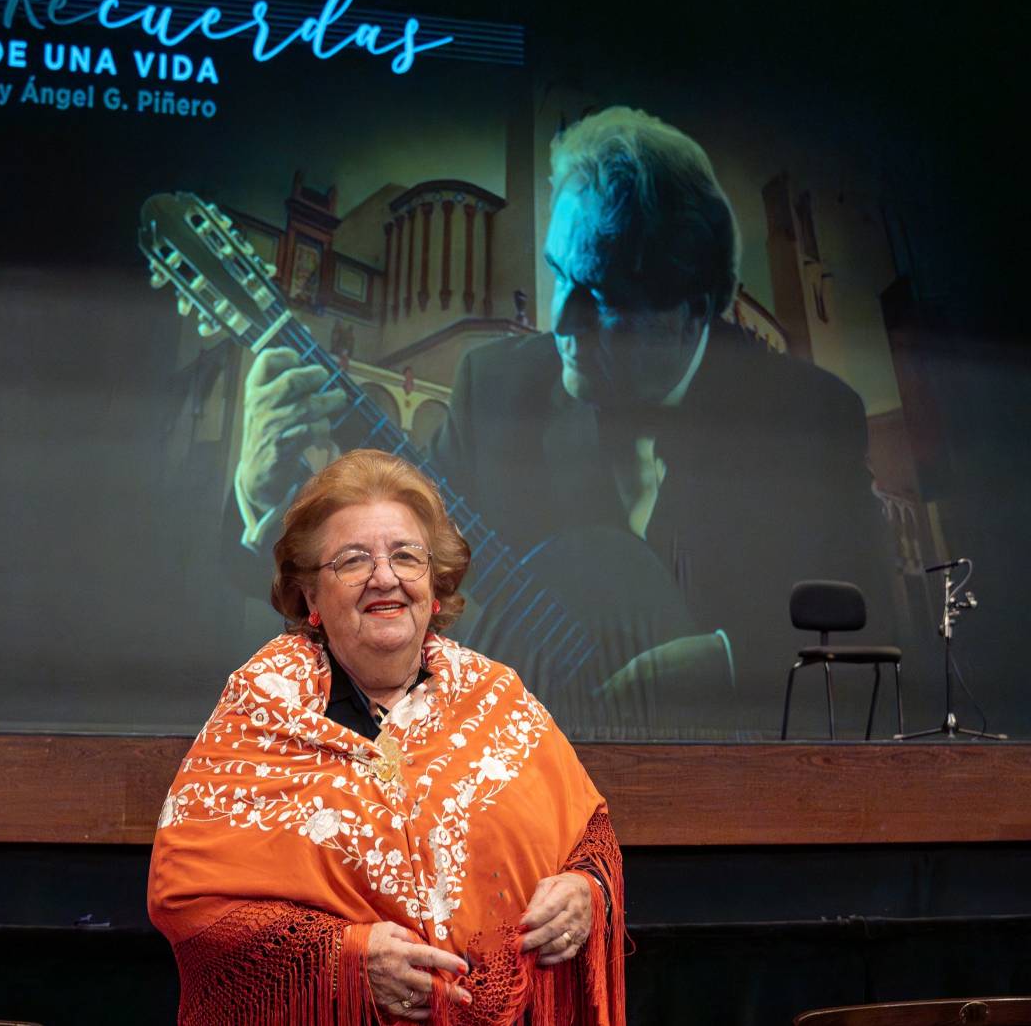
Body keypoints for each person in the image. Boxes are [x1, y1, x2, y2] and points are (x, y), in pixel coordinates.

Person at [233, 107, 892, 737]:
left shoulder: (812, 419)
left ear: (691, 311)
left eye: (600, 292)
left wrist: (724, 665)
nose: (564, 322)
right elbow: (392, 587)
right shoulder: (495, 388)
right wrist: (265, 501)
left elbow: (876, 640)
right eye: (558, 275)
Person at [149, 449, 626, 1025]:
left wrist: (585, 892)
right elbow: (190, 900)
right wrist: (342, 959)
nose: (385, 576)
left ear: (436, 585)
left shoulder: (497, 698)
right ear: (310, 598)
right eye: (352, 560)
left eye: (407, 556)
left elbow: (588, 836)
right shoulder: (260, 713)